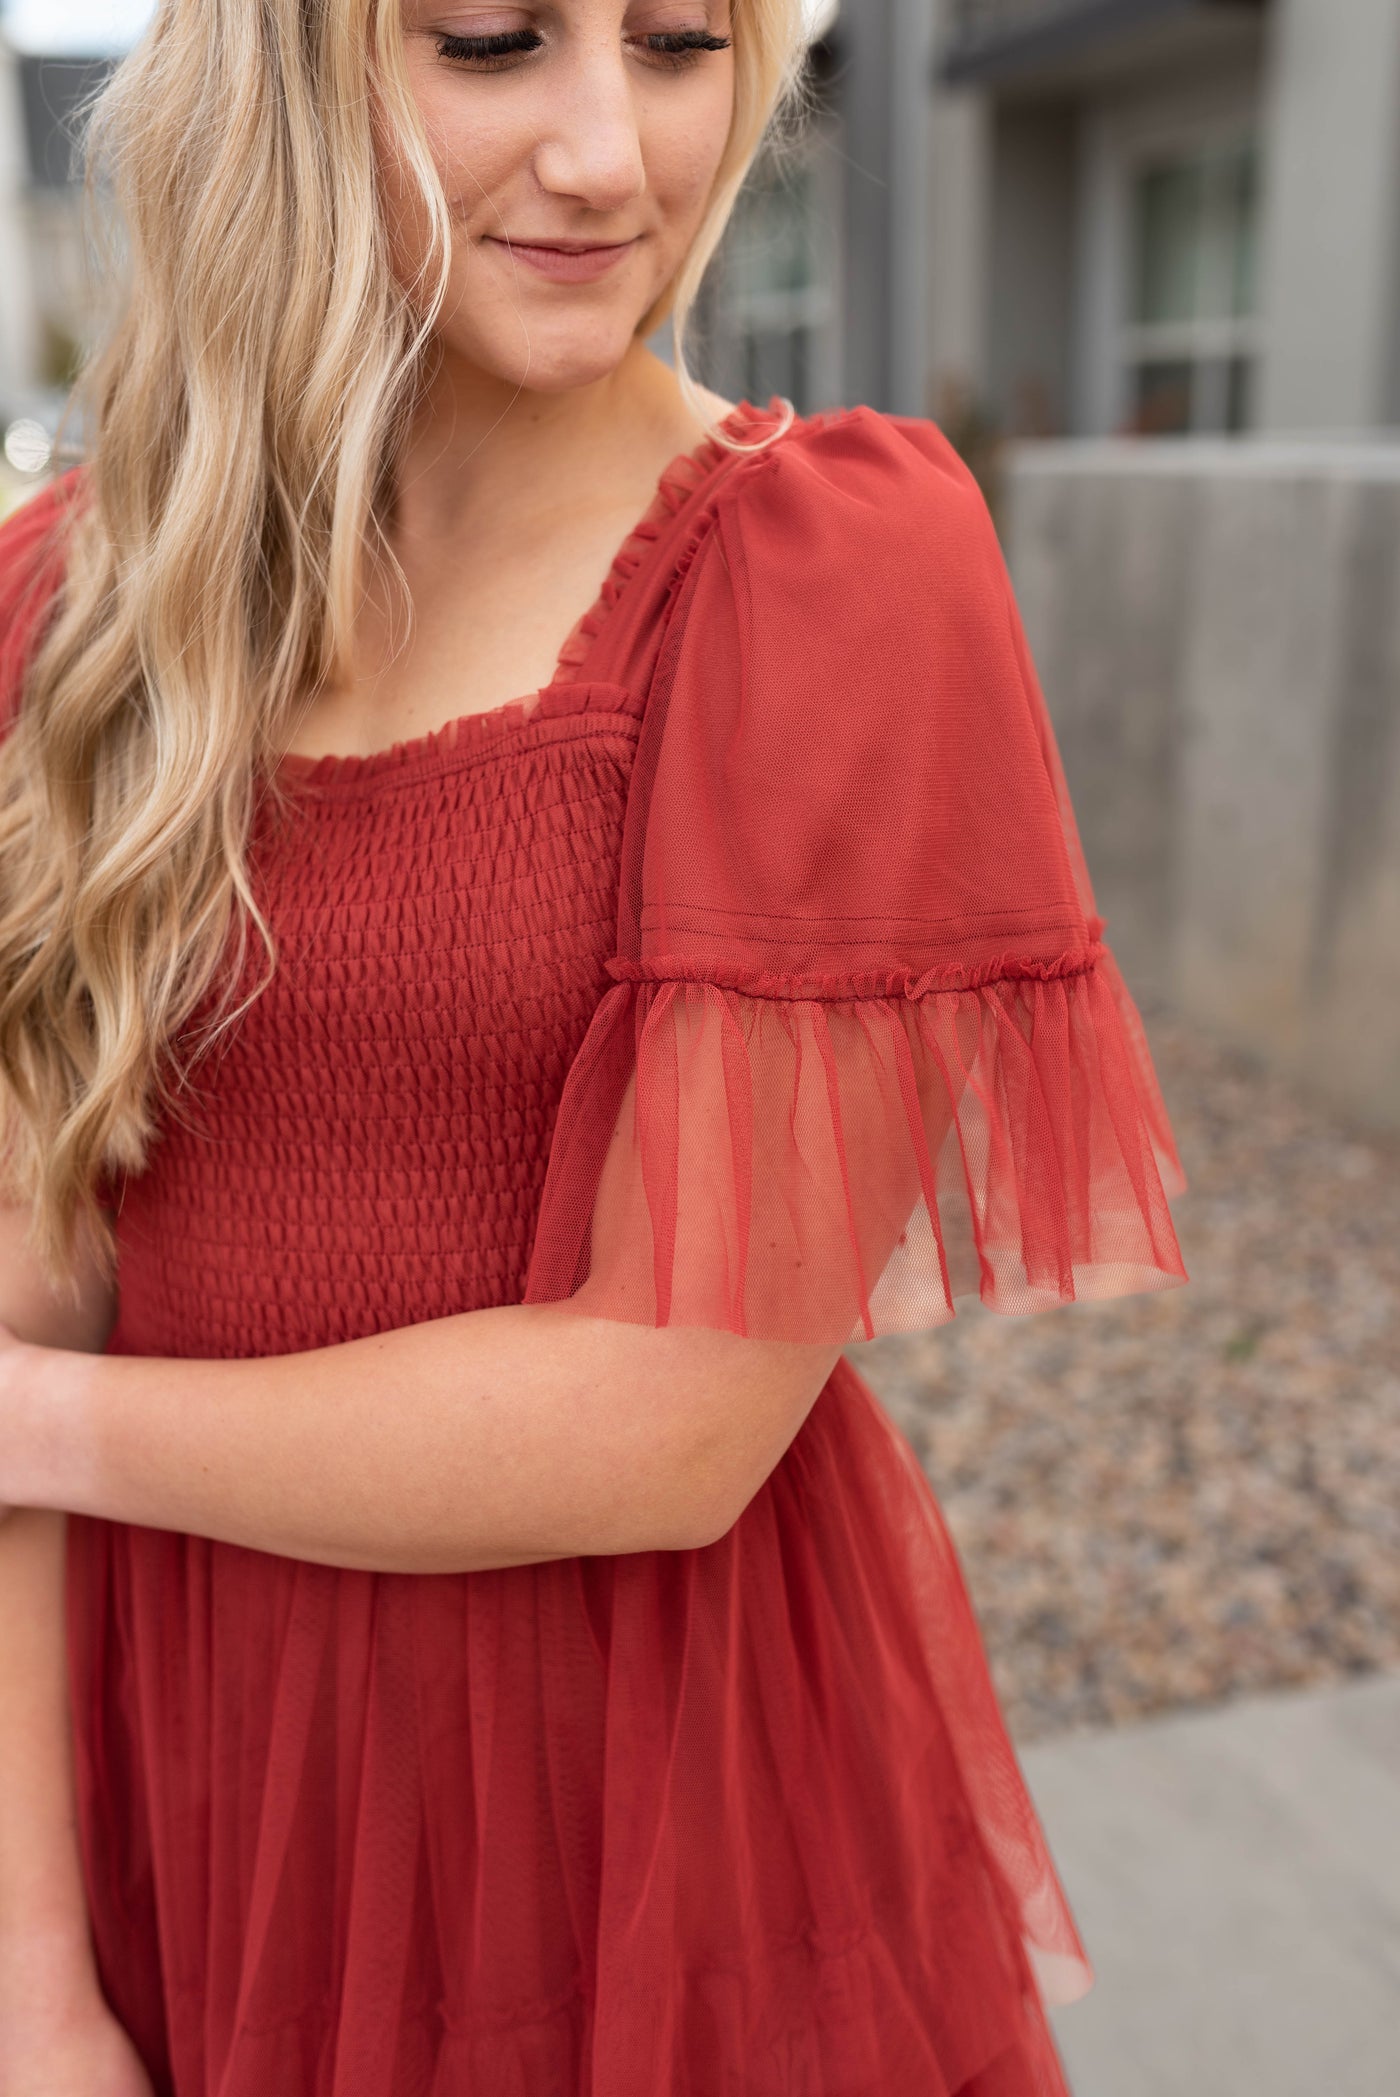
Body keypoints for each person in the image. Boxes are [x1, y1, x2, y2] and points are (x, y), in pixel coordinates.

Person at [0, 2, 1189, 2092]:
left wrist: (47, 1427)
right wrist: (31, 1981)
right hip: (171, 1781)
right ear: (292, 70)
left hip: (642, 1809)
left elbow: (665, 1410)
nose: (608, 154)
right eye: (492, 41)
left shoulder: (826, 573)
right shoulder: (78, 611)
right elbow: (29, 1280)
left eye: (673, 45)